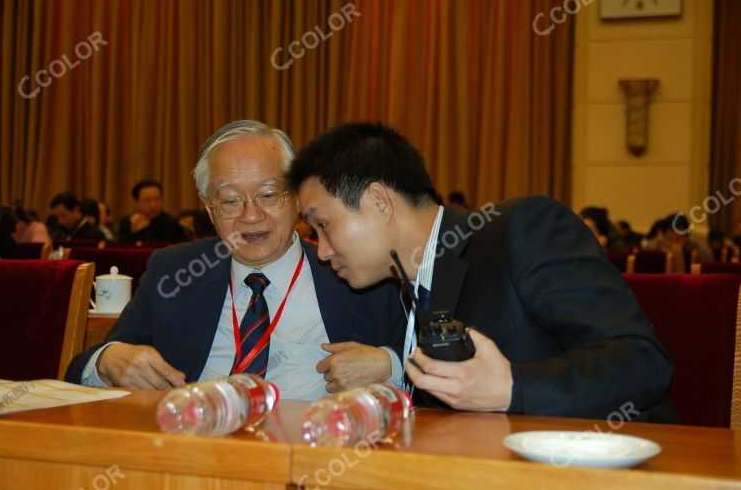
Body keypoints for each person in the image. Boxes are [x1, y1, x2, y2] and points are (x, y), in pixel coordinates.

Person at [288, 122, 675, 422]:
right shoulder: (392, 288)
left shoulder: (520, 230)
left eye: (322, 224)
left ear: (378, 201)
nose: (321, 251)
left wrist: (511, 388)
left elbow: (640, 362)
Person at [65, 120, 404, 401]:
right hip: (196, 452)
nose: (251, 216)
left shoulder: (359, 271)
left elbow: (436, 375)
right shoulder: (173, 271)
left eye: (268, 195)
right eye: (229, 201)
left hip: (316, 455)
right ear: (207, 206)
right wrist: (108, 360)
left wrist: (390, 365)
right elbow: (82, 369)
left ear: (297, 195)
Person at [117, 180, 187, 244]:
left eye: (157, 199)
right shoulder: (128, 222)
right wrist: (134, 232)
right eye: (147, 200)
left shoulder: (170, 223)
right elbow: (121, 248)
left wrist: (143, 230)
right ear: (136, 202)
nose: (153, 204)